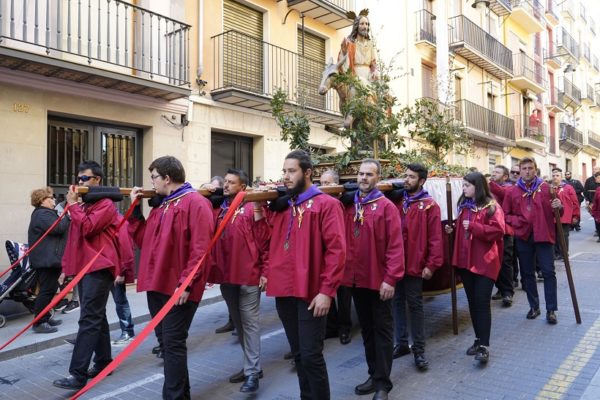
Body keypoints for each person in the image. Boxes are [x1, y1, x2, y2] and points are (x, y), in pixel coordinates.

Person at [262, 150, 346, 400]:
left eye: (292, 171)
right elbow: (264, 244)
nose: (286, 177)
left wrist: (326, 291)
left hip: (311, 292)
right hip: (284, 290)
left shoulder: (327, 205)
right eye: (284, 171)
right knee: (298, 354)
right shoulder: (282, 207)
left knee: (311, 356)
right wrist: (259, 211)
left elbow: (337, 251)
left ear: (308, 172)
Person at [129, 156, 214, 400]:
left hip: (179, 288)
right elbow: (145, 241)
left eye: (154, 177)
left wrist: (186, 284)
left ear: (167, 178)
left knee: (174, 343)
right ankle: (181, 394)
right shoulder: (162, 205)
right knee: (167, 345)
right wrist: (135, 210)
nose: (151, 183)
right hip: (156, 284)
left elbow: (201, 249)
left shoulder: (196, 203)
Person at [53, 161, 122, 390]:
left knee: (89, 319)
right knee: (96, 316)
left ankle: (78, 374)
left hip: (98, 267)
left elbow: (88, 229)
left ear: (97, 180)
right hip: (85, 267)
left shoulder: (106, 204)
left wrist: (72, 206)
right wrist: (66, 268)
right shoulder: (84, 206)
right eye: (78, 178)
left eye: (84, 178)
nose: (79, 182)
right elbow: (74, 240)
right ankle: (103, 362)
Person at [342, 159, 404, 400]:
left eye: (369, 174)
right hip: (357, 280)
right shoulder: (350, 204)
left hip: (380, 282)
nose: (363, 178)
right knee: (367, 331)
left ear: (378, 178)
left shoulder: (386, 207)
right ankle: (373, 374)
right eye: (360, 174)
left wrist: (390, 279)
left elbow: (396, 246)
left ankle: (383, 384)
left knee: (382, 331)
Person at [208, 168, 269, 393]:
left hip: (248, 277)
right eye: (225, 181)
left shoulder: (252, 208)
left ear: (242, 187)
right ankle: (251, 366)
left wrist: (265, 271)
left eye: (231, 183)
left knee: (250, 325)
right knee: (241, 326)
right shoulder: (220, 210)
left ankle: (252, 373)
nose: (225, 185)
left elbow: (264, 241)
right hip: (227, 277)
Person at [446, 172, 505, 364]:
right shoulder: (464, 206)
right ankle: (478, 339)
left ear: (477, 186)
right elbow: (462, 230)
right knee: (472, 302)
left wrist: (474, 227)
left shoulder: (491, 207)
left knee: (481, 303)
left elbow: (498, 231)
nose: (463, 188)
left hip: (485, 262)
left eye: (466, 185)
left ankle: (485, 346)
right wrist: (452, 229)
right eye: (463, 185)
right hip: (466, 262)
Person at [391, 163, 442, 371]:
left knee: (415, 306)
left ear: (421, 181)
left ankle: (419, 350)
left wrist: (432, 264)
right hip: (396, 264)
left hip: (415, 265)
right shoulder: (397, 201)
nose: (407, 180)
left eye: (411, 177)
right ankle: (401, 343)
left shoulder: (430, 205)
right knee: (396, 302)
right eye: (406, 176)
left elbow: (435, 240)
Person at [503, 157, 563, 324]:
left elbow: (559, 211)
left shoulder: (547, 189)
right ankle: (534, 306)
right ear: (520, 171)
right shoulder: (512, 192)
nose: (527, 171)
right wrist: (518, 223)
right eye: (524, 168)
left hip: (544, 235)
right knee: (527, 273)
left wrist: (559, 205)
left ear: (535, 170)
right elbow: (505, 215)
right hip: (524, 237)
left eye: (530, 168)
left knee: (549, 273)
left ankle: (551, 309)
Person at [28, 187, 70, 334]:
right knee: (46, 291)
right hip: (46, 260)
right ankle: (39, 322)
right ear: (42, 201)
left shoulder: (46, 213)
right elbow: (58, 228)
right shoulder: (42, 214)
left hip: (49, 259)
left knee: (50, 290)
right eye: (50, 198)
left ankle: (44, 316)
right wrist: (68, 215)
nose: (53, 200)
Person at [321, 169, 353, 345]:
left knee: (344, 294)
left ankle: (345, 328)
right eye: (322, 184)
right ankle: (331, 327)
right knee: (328, 291)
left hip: (344, 255)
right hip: (326, 256)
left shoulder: (346, 203)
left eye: (328, 184)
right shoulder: (320, 204)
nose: (324, 187)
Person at [488, 165, 516, 307]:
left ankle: (507, 292)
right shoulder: (490, 187)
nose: (493, 174)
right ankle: (500, 288)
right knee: (494, 261)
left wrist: (488, 183)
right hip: (492, 230)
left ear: (505, 176)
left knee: (505, 262)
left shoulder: (509, 187)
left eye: (497, 172)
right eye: (492, 172)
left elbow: (502, 193)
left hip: (505, 230)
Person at [338, 10, 378, 86]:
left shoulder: (370, 44)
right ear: (356, 26)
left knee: (384, 87)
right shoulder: (350, 43)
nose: (365, 27)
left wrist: (375, 71)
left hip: (369, 75)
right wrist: (344, 53)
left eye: (366, 24)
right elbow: (343, 62)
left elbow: (373, 63)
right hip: (356, 75)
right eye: (362, 24)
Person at [550, 168, 579, 261]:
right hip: (551, 218)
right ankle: (556, 253)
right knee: (553, 236)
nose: (555, 177)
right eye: (553, 176)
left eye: (557, 175)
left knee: (563, 236)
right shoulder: (549, 188)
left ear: (561, 177)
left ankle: (564, 254)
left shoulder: (568, 188)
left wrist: (575, 216)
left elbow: (575, 202)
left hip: (564, 217)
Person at [584, 166, 600, 236]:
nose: (594, 170)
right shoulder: (589, 180)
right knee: (595, 216)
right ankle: (597, 230)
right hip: (592, 201)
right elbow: (585, 190)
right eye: (593, 169)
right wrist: (587, 200)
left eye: (596, 169)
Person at [589, 172, 600, 241]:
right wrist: (594, 211)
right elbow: (595, 200)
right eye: (596, 177)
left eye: (598, 177)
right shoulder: (598, 189)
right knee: (598, 224)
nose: (597, 179)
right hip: (598, 211)